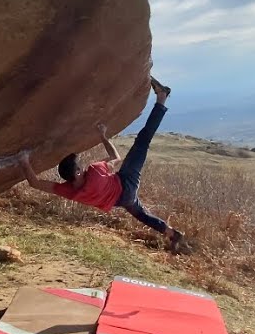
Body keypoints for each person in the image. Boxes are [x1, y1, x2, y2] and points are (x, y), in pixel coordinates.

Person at [18, 76, 185, 250]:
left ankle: (172, 234)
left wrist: (23, 162)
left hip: (121, 200)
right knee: (143, 140)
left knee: (142, 215)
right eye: (79, 165)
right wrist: (103, 136)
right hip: (126, 183)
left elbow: (34, 183)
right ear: (76, 172)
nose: (82, 166)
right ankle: (162, 98)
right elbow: (115, 157)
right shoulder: (94, 172)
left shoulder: (70, 191)